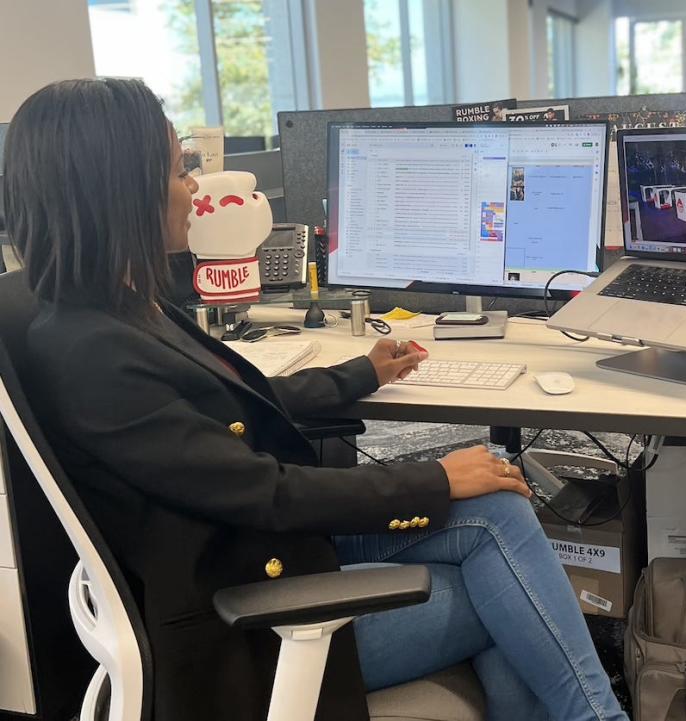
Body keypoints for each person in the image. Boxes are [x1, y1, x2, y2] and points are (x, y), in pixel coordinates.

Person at [2, 78, 628, 721]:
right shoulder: (93, 353)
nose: (194, 187)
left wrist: (360, 374)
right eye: (176, 170)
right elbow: (265, 491)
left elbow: (236, 405)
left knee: (498, 510)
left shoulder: (114, 305)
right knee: (516, 601)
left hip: (264, 552)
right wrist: (435, 478)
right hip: (246, 624)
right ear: (117, 189)